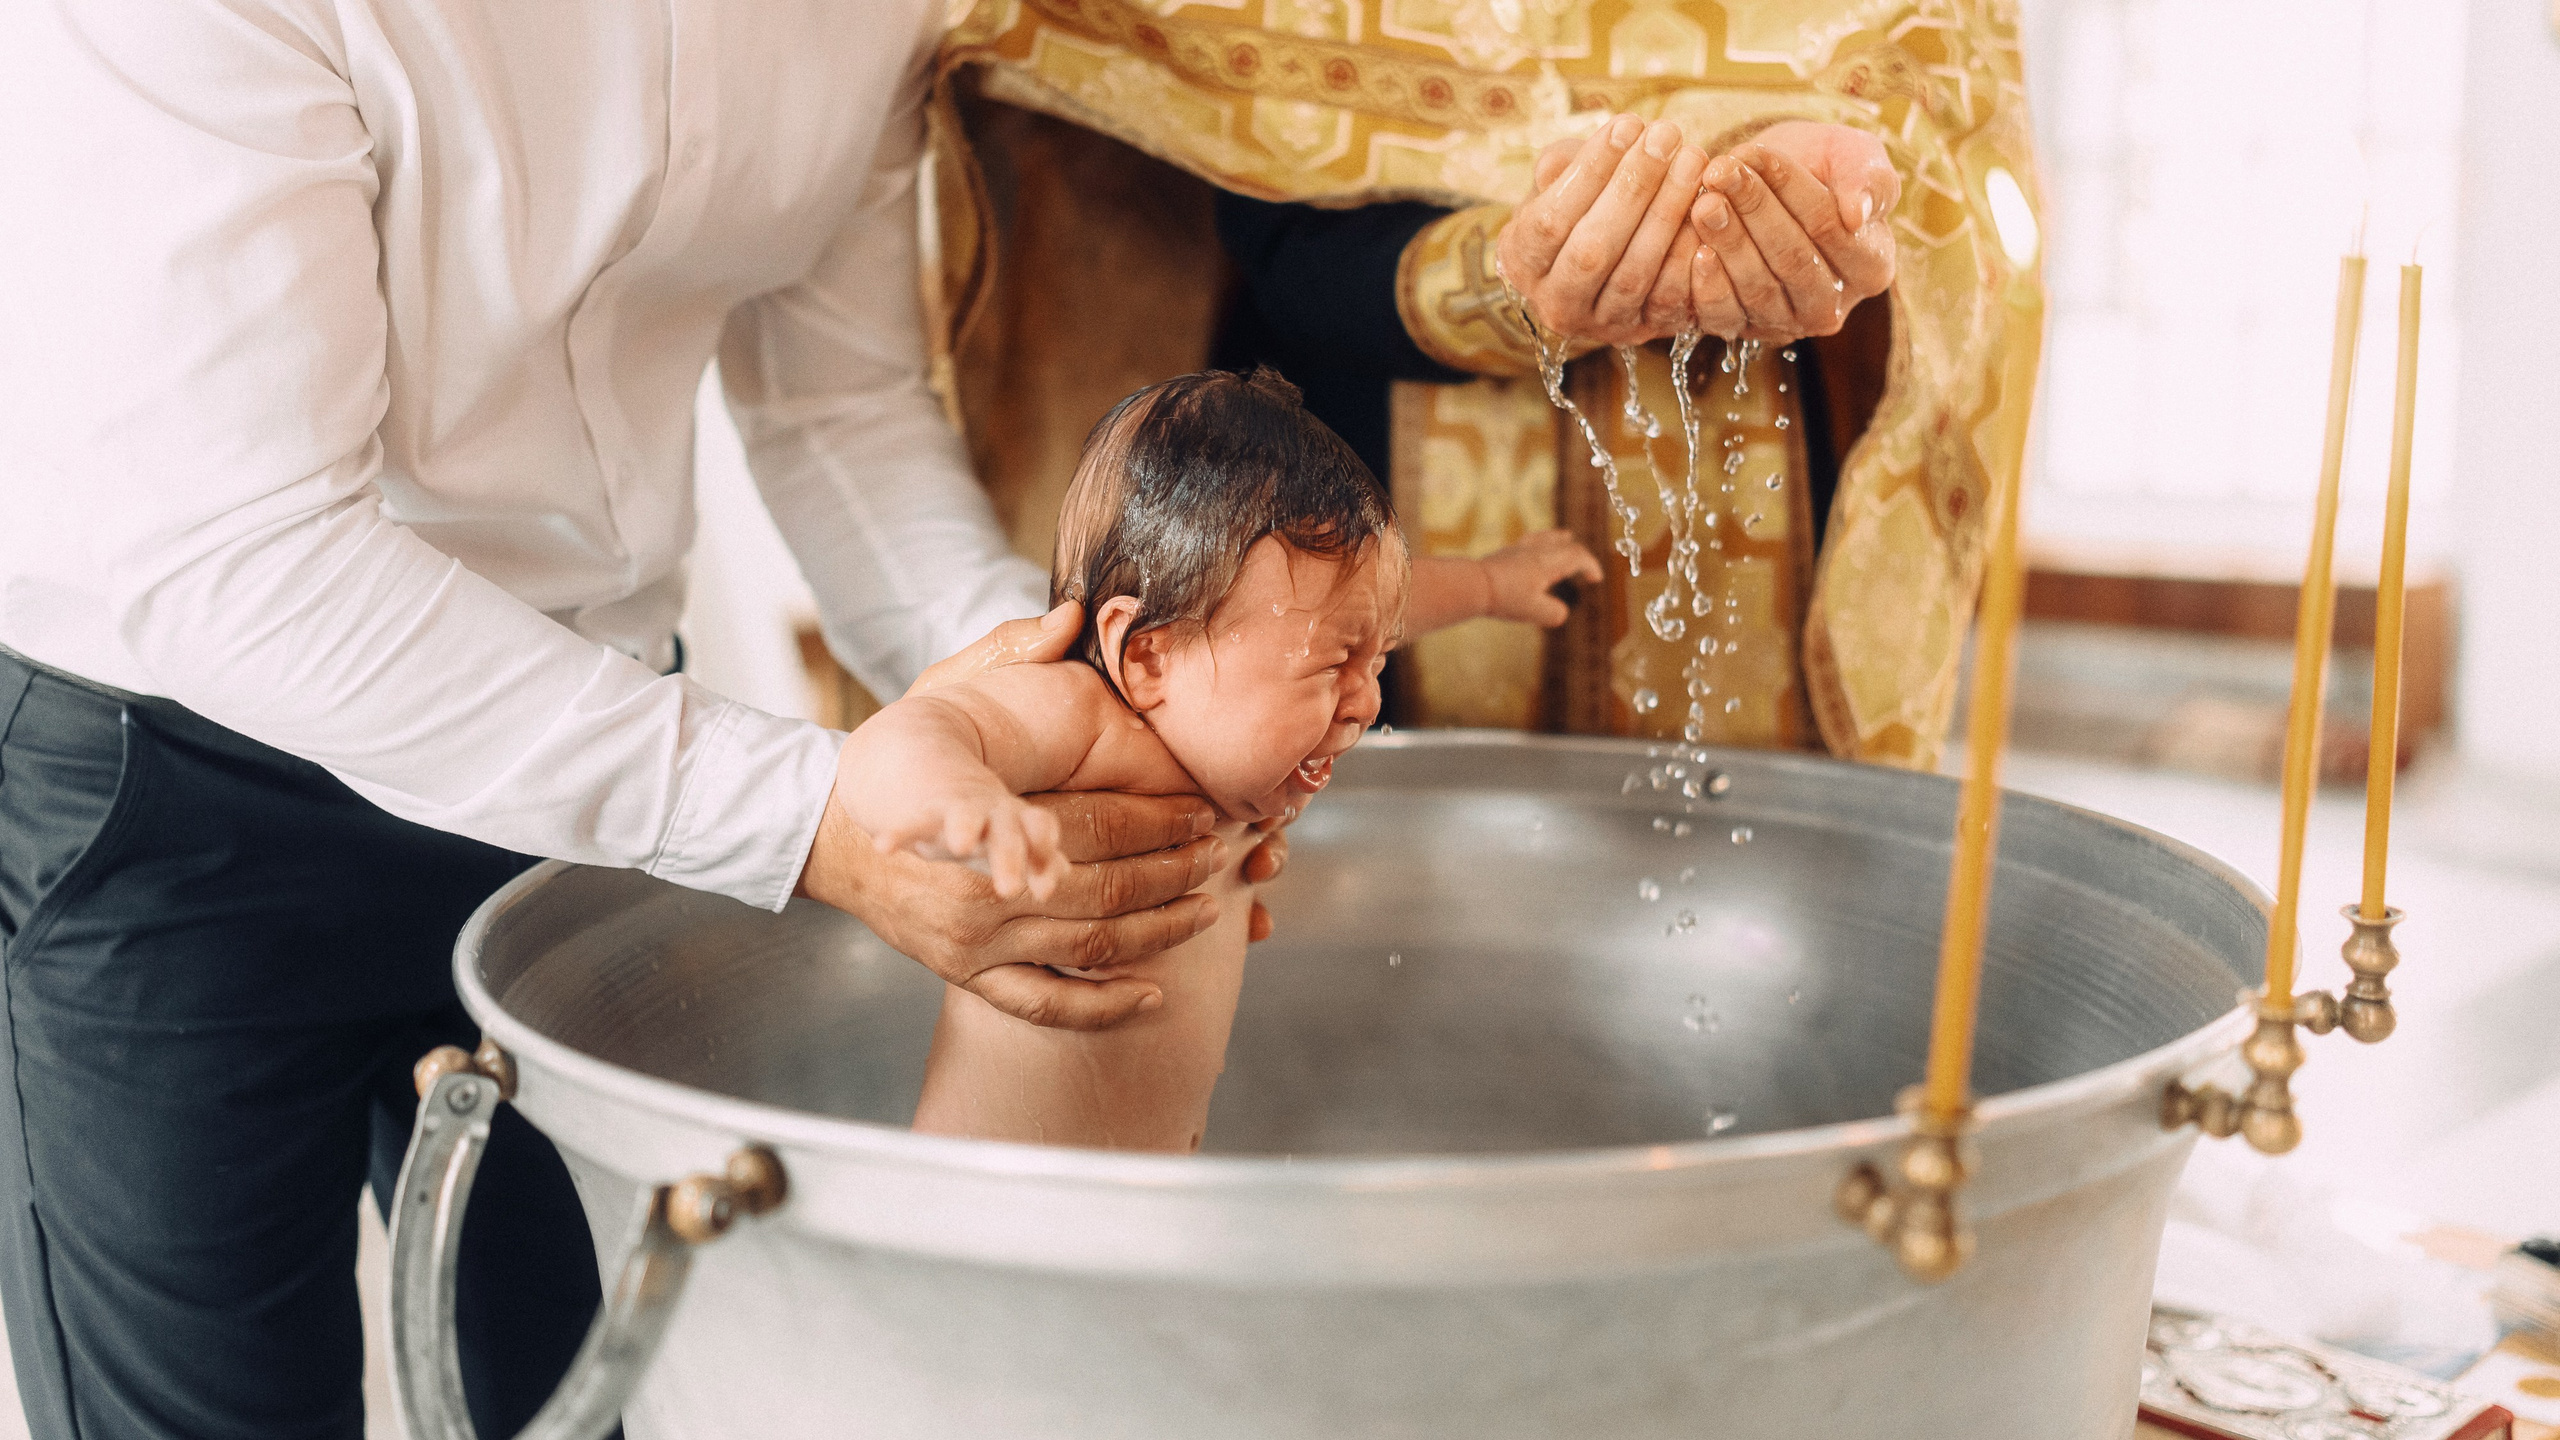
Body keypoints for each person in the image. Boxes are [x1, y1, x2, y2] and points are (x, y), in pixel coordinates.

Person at [0, 3, 1270, 1435]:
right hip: (180, 797)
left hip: (588, 784)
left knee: (614, 1399)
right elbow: (243, 560)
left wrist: (1059, 702)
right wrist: (809, 818)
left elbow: (835, 408)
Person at [934, 0, 2043, 765]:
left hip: (1757, 471)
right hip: (1360, 448)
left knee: (1742, 929)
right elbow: (1241, 166)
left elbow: (1917, 103)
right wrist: (1494, 282)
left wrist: (1828, 207)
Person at [847, 368, 1588, 1150]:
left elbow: (1378, 611)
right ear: (1148, 659)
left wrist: (1489, 584)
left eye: (1375, 661)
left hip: (1150, 1205)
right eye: (1332, 664)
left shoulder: (1226, 757)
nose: (1367, 702)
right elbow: (895, 738)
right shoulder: (1083, 724)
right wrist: (961, 800)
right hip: (1000, 1215)